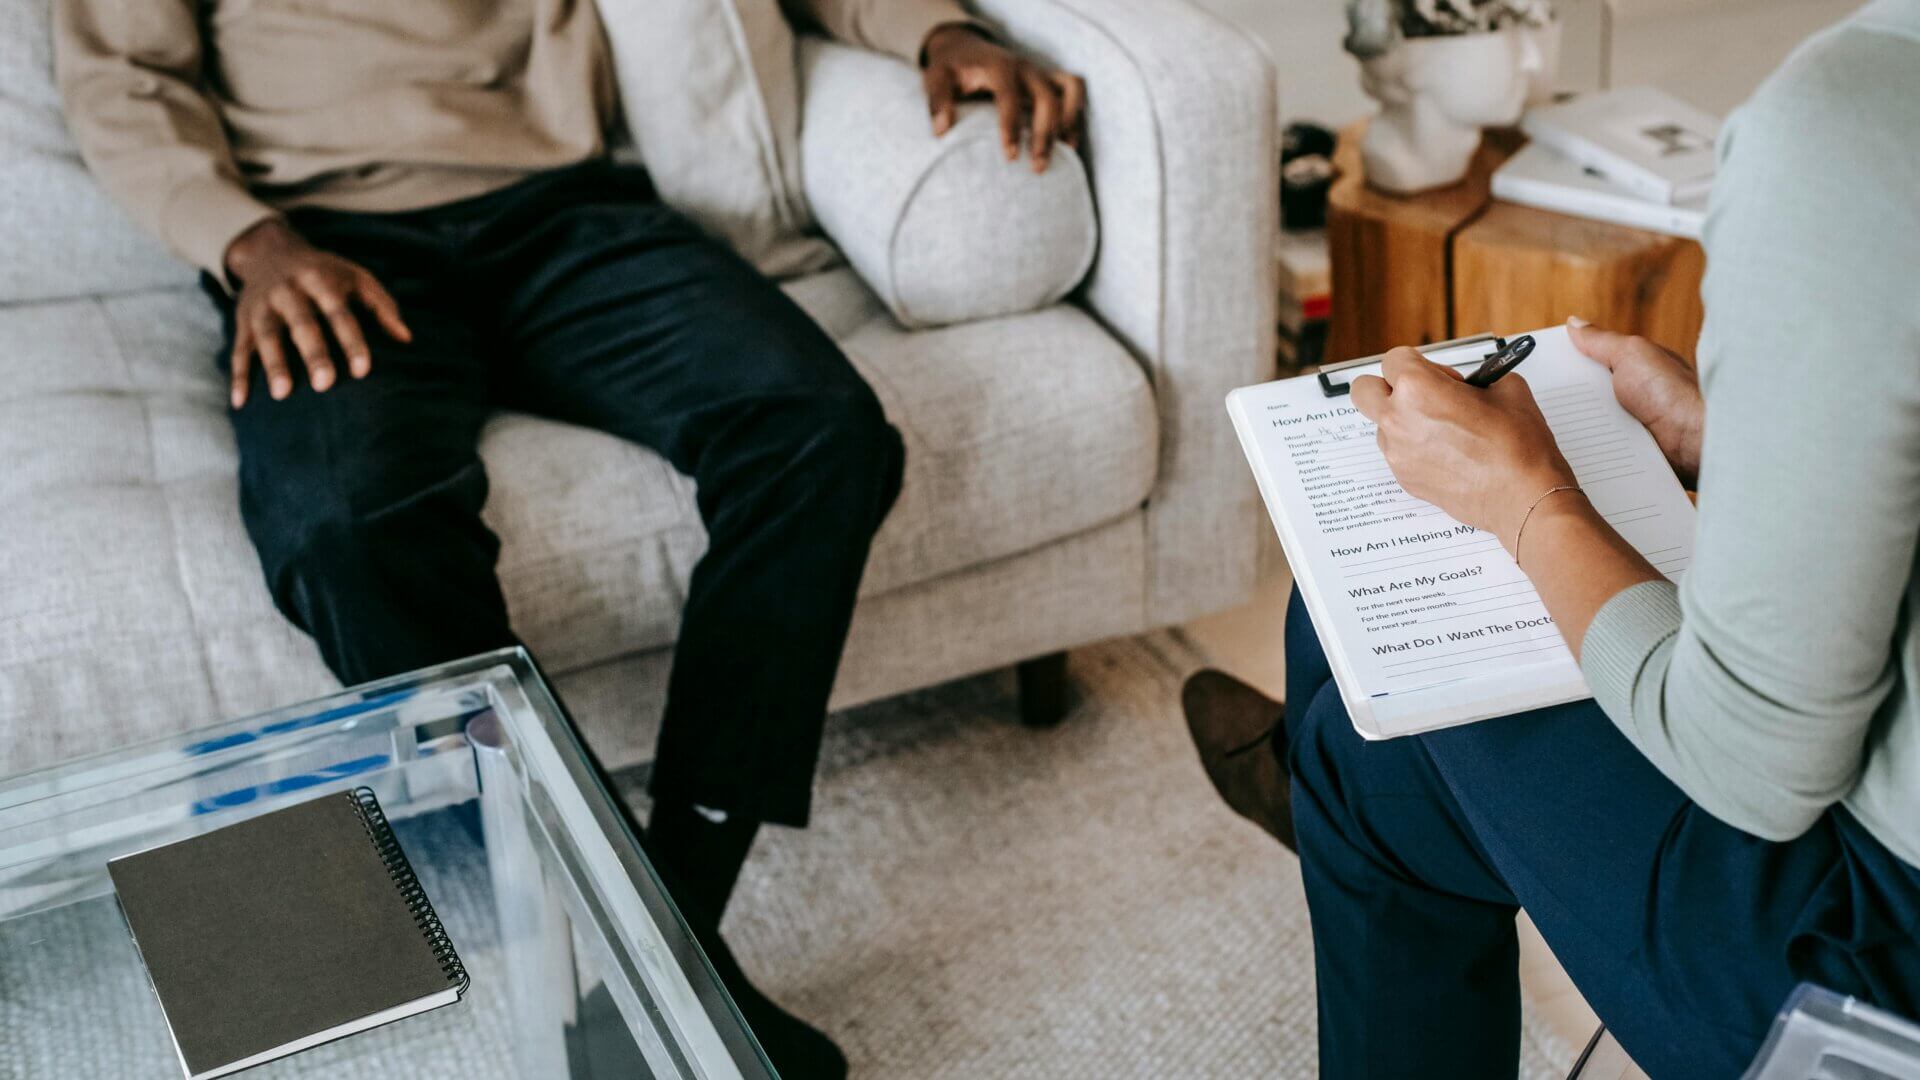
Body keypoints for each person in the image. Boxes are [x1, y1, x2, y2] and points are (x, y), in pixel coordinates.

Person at [54, 1, 1085, 1074]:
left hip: (569, 213)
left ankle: (655, 919)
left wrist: (936, 30)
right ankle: (646, 951)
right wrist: (249, 245)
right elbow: (120, 77)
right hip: (318, 236)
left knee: (819, 433)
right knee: (342, 533)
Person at [1184, 2, 1920, 1075]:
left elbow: (1754, 762)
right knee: (1363, 706)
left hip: (1876, 966)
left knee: (1367, 712)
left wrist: (1524, 496)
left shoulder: (1858, 123)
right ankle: (1360, 809)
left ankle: (1346, 806)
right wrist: (1747, 442)